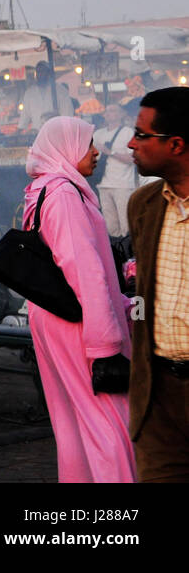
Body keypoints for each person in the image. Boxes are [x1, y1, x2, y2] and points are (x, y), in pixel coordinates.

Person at [21, 116, 136, 483]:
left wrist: (120, 302)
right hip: (77, 321)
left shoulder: (43, 188)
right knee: (108, 418)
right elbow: (83, 270)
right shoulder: (65, 194)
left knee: (71, 418)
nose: (97, 151)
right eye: (88, 144)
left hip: (51, 314)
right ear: (67, 148)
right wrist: (106, 343)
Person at [126, 87, 189, 482]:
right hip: (159, 394)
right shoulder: (144, 205)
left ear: (177, 144)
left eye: (142, 135)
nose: (131, 143)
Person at [92, 103, 138, 240]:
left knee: (127, 225)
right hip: (103, 184)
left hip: (122, 185)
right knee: (110, 226)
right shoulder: (97, 134)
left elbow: (133, 158)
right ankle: (118, 254)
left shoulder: (128, 132)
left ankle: (130, 257)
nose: (108, 114)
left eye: (112, 111)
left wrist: (110, 152)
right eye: (106, 111)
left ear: (121, 114)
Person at [19, 60, 74, 133]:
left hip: (56, 132)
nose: (40, 74)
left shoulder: (60, 90)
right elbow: (24, 115)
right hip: (36, 134)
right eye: (38, 72)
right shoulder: (29, 93)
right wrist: (19, 130)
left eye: (43, 72)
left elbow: (67, 114)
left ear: (49, 73)